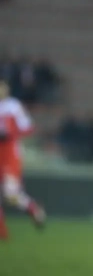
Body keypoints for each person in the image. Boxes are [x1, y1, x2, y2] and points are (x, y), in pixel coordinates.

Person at [0, 78, 45, 239]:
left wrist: (10, 133)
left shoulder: (13, 106)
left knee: (11, 194)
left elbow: (27, 127)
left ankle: (33, 208)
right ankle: (2, 232)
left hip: (9, 155)